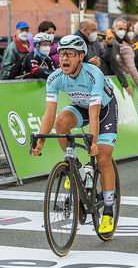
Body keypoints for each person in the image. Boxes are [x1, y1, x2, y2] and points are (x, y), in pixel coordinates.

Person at [31, 35, 119, 234]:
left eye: (70, 54)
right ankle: (75, 166)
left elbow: (95, 114)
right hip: (80, 107)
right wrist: (41, 142)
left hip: (103, 110)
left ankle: (108, 210)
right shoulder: (55, 77)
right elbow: (49, 113)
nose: (64, 58)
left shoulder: (93, 74)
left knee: (103, 158)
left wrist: (94, 143)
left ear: (81, 57)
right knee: (61, 122)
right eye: (61, 54)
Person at [100, 18, 134, 97]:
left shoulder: (110, 39)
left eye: (125, 29)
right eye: (120, 29)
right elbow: (116, 64)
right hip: (106, 77)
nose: (123, 31)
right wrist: (125, 84)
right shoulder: (114, 42)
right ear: (113, 29)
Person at [120, 19, 138, 93]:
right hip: (126, 79)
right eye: (129, 31)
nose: (131, 33)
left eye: (132, 31)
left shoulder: (125, 42)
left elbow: (136, 29)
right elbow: (132, 69)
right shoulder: (126, 48)